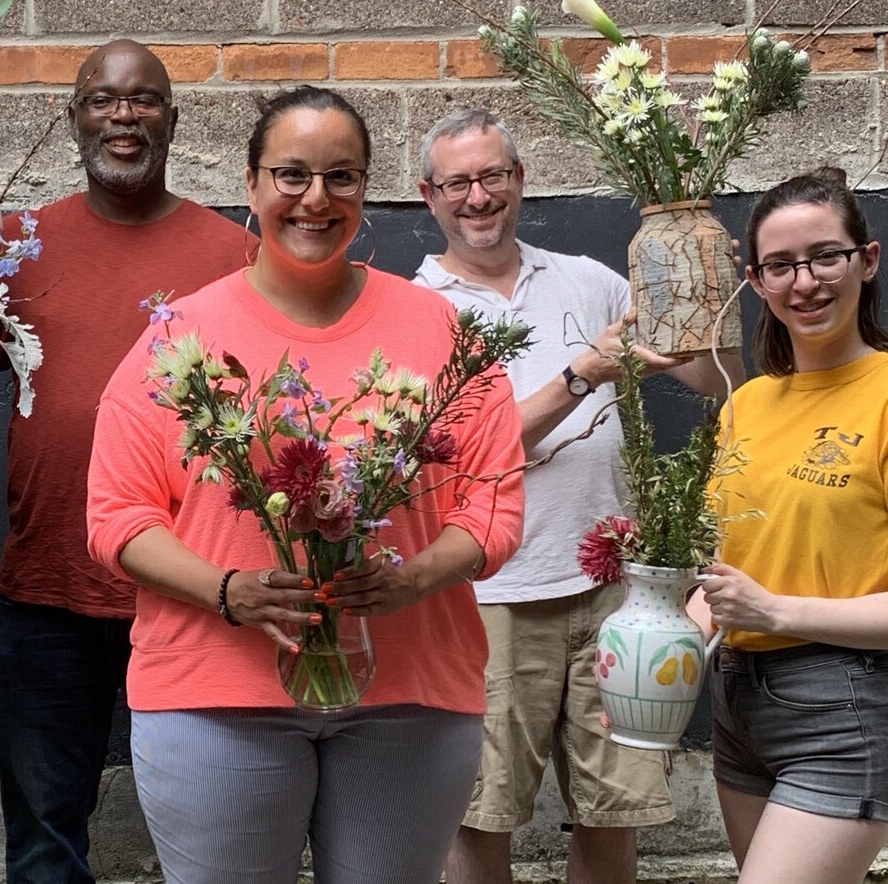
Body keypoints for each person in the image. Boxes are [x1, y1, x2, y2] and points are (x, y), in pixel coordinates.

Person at [86, 86, 526, 884]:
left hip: (411, 694)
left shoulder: (444, 333)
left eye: (342, 177)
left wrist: (412, 577)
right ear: (251, 186)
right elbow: (118, 516)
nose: (315, 199)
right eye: (290, 175)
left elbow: (492, 501)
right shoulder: (179, 337)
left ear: (366, 188)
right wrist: (228, 589)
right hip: (215, 693)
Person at [0, 39, 252, 883]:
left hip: (195, 595)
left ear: (175, 118)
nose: (123, 115)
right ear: (72, 119)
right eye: (102, 99)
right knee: (44, 841)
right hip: (47, 594)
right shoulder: (17, 245)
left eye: (143, 100)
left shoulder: (233, 255)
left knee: (219, 835)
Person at [414, 108, 744, 884]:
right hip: (487, 597)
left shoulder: (588, 280)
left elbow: (715, 380)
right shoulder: (418, 308)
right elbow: (457, 452)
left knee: (614, 813)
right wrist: (579, 376)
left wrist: (707, 285)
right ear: (429, 196)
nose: (478, 195)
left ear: (521, 181)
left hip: (614, 594)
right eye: (458, 182)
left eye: (494, 175)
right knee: (479, 816)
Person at [693, 166, 888, 884]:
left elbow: (762, 596)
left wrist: (774, 609)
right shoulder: (748, 404)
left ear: (866, 261)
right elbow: (725, 564)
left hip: (845, 702)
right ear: (758, 281)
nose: (804, 281)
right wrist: (667, 635)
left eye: (824, 256)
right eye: (781, 265)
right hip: (738, 703)